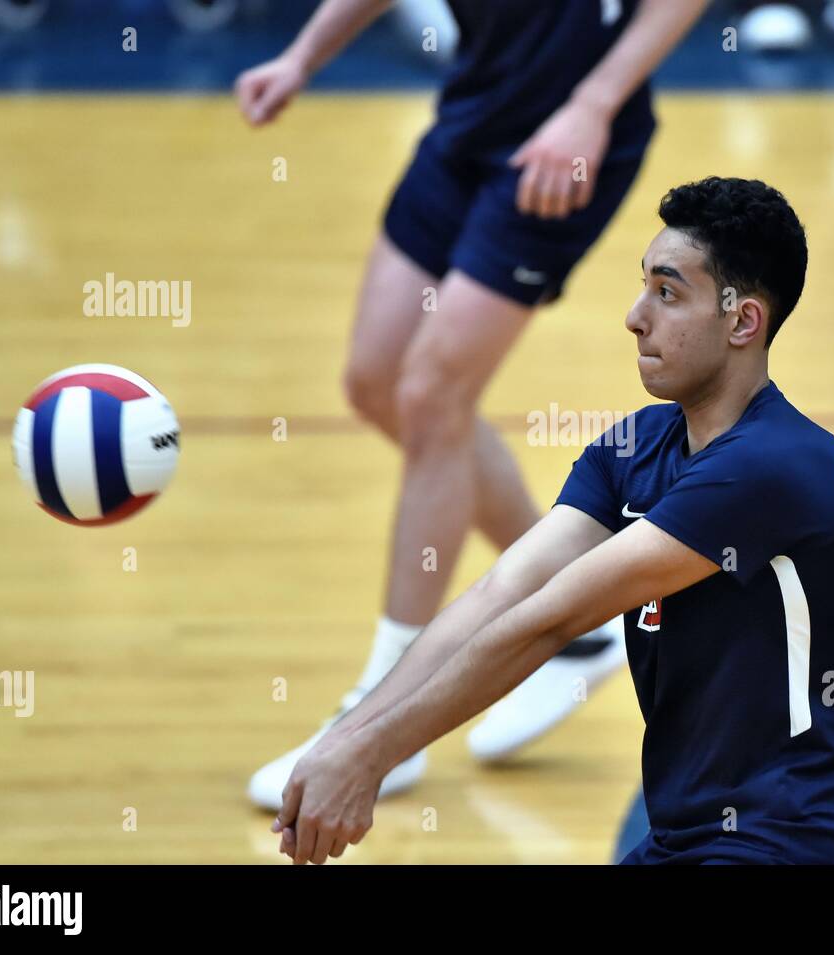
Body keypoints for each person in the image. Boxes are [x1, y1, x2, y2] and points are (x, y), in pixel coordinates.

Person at [270, 176, 834, 865]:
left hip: (797, 842)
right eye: (643, 287)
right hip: (688, 838)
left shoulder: (775, 465)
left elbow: (552, 619)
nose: (635, 316)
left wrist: (371, 756)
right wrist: (343, 739)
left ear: (743, 321)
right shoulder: (631, 450)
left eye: (667, 293)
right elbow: (500, 594)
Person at [234, 0, 710, 808]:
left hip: (566, 142)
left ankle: (380, 726)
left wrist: (593, 107)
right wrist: (304, 57)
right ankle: (581, 623)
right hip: (472, 115)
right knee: (377, 382)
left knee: (433, 395)